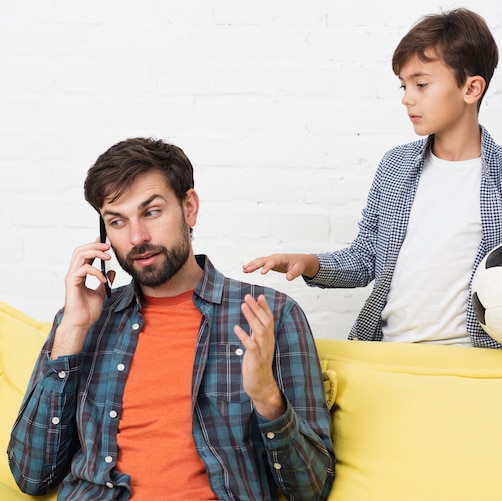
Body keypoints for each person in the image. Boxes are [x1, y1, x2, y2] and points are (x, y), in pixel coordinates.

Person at [243, 8, 502, 358]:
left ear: (471, 89)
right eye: (403, 86)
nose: (407, 99)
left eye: (421, 84)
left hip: (471, 365)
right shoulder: (396, 167)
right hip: (388, 353)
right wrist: (307, 262)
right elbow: (365, 259)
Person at [7, 138, 335, 500]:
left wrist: (267, 398)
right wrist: (70, 332)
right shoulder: (81, 322)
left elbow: (311, 489)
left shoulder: (270, 315)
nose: (137, 238)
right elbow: (31, 476)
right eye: (117, 221)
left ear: (189, 208)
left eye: (151, 212)